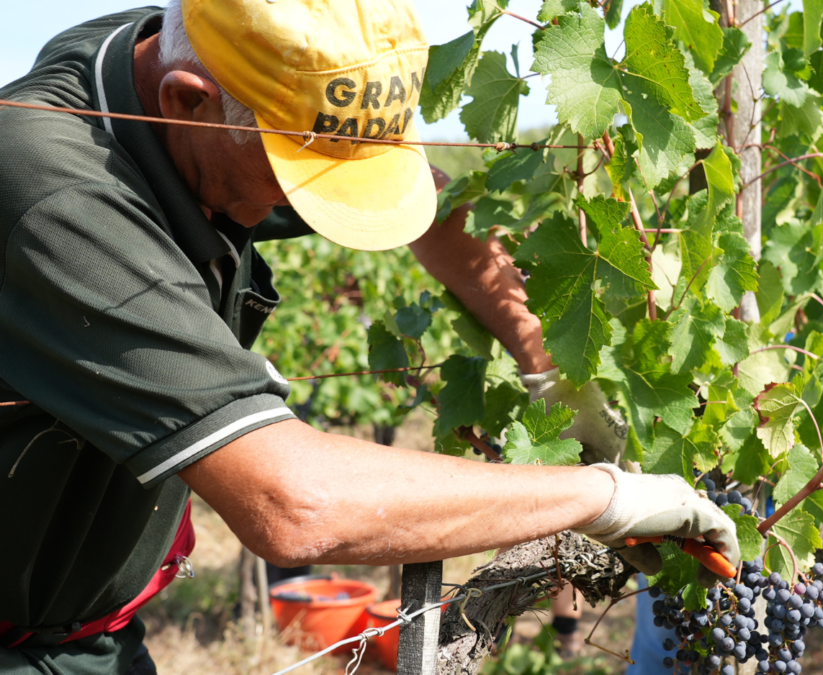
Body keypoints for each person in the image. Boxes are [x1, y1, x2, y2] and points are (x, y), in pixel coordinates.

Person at [0, 1, 741, 673]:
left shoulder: (203, 64)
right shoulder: (54, 194)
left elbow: (432, 209)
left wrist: (550, 367)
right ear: (188, 106)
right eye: (303, 174)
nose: (311, 199)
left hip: (88, 631)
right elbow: (294, 504)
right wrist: (601, 496)